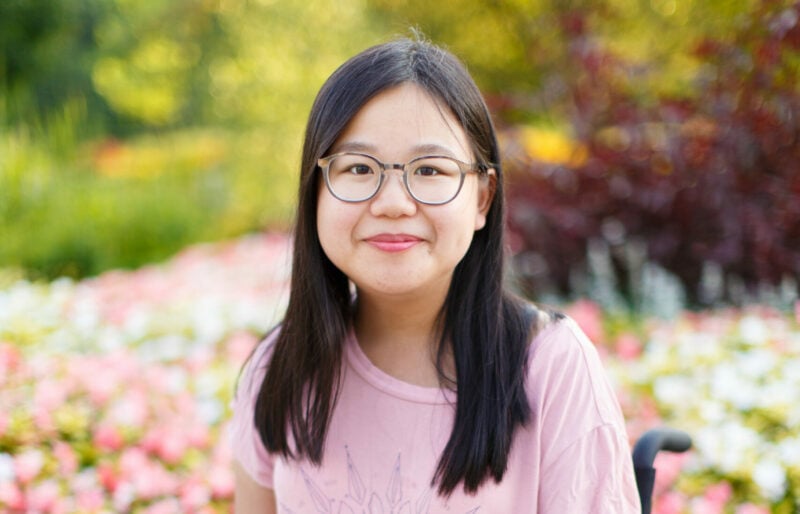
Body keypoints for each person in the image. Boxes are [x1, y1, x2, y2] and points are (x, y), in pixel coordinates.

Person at [230, 35, 641, 513]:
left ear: (482, 199)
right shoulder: (279, 369)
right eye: (359, 168)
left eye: (429, 170)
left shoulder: (548, 366)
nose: (393, 204)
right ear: (315, 190)